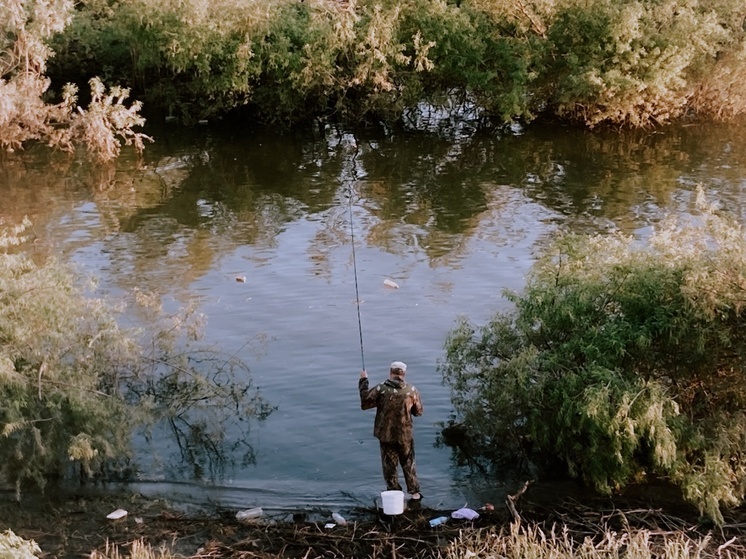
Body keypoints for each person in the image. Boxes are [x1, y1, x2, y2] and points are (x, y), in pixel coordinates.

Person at [359, 361, 423, 500]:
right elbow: (418, 412)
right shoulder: (411, 390)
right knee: (408, 463)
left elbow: (365, 403)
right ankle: (415, 494)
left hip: (386, 435)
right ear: (404, 374)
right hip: (405, 435)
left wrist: (364, 380)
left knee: (390, 467)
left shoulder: (381, 389)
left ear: (390, 372)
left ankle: (395, 495)